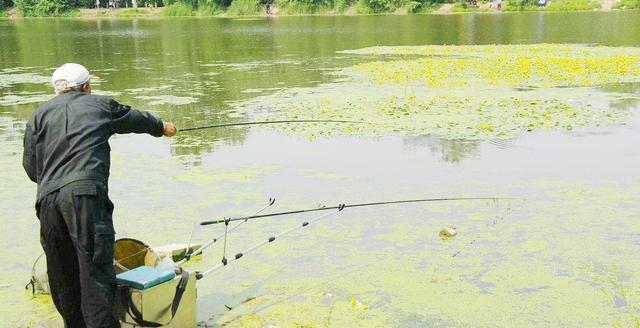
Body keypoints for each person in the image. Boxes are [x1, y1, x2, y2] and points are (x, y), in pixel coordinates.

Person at [22, 63, 177, 328]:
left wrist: (55, 183)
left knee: (63, 277)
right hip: (85, 197)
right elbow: (136, 119)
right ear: (85, 87)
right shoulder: (100, 105)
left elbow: (30, 167)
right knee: (95, 274)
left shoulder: (38, 116)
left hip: (47, 202)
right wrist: (162, 126)